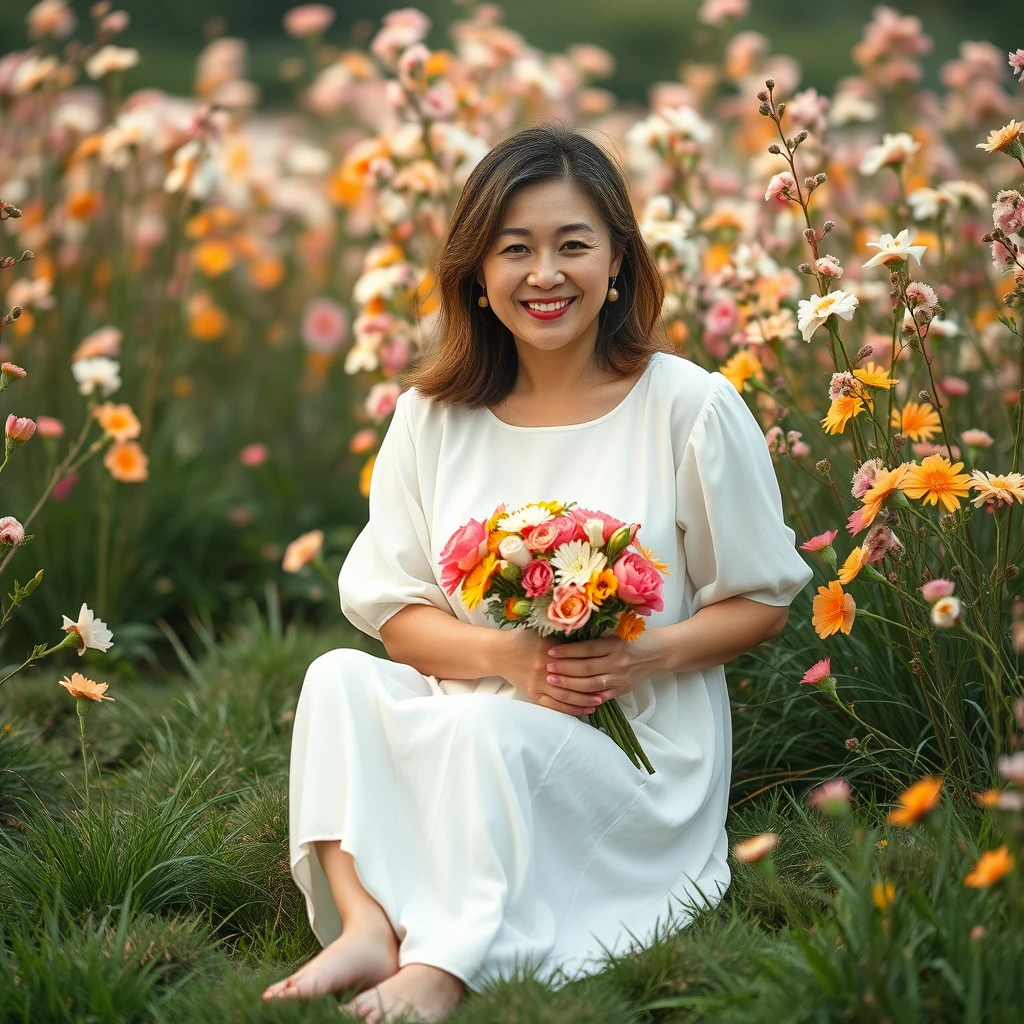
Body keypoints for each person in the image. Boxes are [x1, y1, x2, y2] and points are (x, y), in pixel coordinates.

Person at [262, 121, 813, 1022]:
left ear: (620, 263)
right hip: (477, 706)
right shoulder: (431, 416)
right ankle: (363, 924)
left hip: (634, 746)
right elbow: (395, 615)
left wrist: (644, 655)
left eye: (573, 245)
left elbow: (760, 602)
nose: (544, 274)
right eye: (515, 249)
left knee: (488, 738)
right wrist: (511, 661)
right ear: (477, 275)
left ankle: (447, 962)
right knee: (336, 680)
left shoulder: (692, 407)